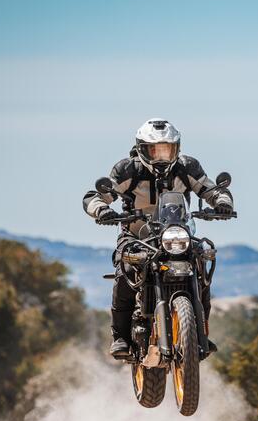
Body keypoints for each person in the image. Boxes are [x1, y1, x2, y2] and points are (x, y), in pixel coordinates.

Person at [83, 119, 234, 359]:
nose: (162, 156)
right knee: (125, 270)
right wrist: (102, 209)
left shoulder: (187, 167)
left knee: (201, 266)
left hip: (177, 234)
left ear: (177, 149)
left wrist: (223, 202)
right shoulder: (127, 170)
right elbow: (94, 196)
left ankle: (199, 331)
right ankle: (120, 336)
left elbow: (211, 189)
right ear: (142, 149)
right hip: (136, 235)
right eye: (155, 150)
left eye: (167, 149)